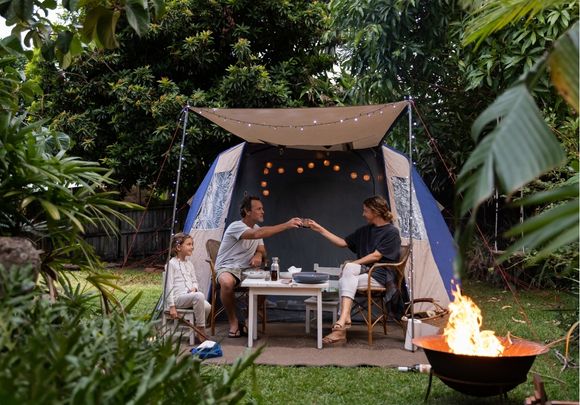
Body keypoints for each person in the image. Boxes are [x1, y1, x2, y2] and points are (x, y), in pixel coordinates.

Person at [306, 195, 401, 345]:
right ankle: (344, 320)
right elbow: (343, 243)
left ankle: (341, 329)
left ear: (375, 212)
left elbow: (376, 256)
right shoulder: (366, 230)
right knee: (346, 278)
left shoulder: (391, 232)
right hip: (362, 274)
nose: (363, 214)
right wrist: (319, 229)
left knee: (346, 275)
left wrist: (352, 264)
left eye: (365, 211)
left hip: (380, 275)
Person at [215, 195, 303, 338]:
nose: (263, 212)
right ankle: (233, 321)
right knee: (226, 282)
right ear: (247, 211)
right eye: (259, 209)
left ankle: (250, 316)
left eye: (262, 209)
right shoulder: (236, 226)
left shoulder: (257, 228)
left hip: (248, 270)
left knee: (267, 283)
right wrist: (287, 225)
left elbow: (263, 250)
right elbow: (256, 234)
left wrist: (257, 255)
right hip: (228, 267)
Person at [165, 232, 211, 342]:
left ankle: (197, 326)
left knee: (208, 306)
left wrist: (194, 288)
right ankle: (201, 330)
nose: (192, 247)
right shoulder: (171, 264)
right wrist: (171, 306)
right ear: (178, 247)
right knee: (199, 296)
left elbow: (195, 281)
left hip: (188, 296)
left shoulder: (189, 264)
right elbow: (168, 286)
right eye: (189, 244)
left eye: (192, 244)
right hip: (177, 299)